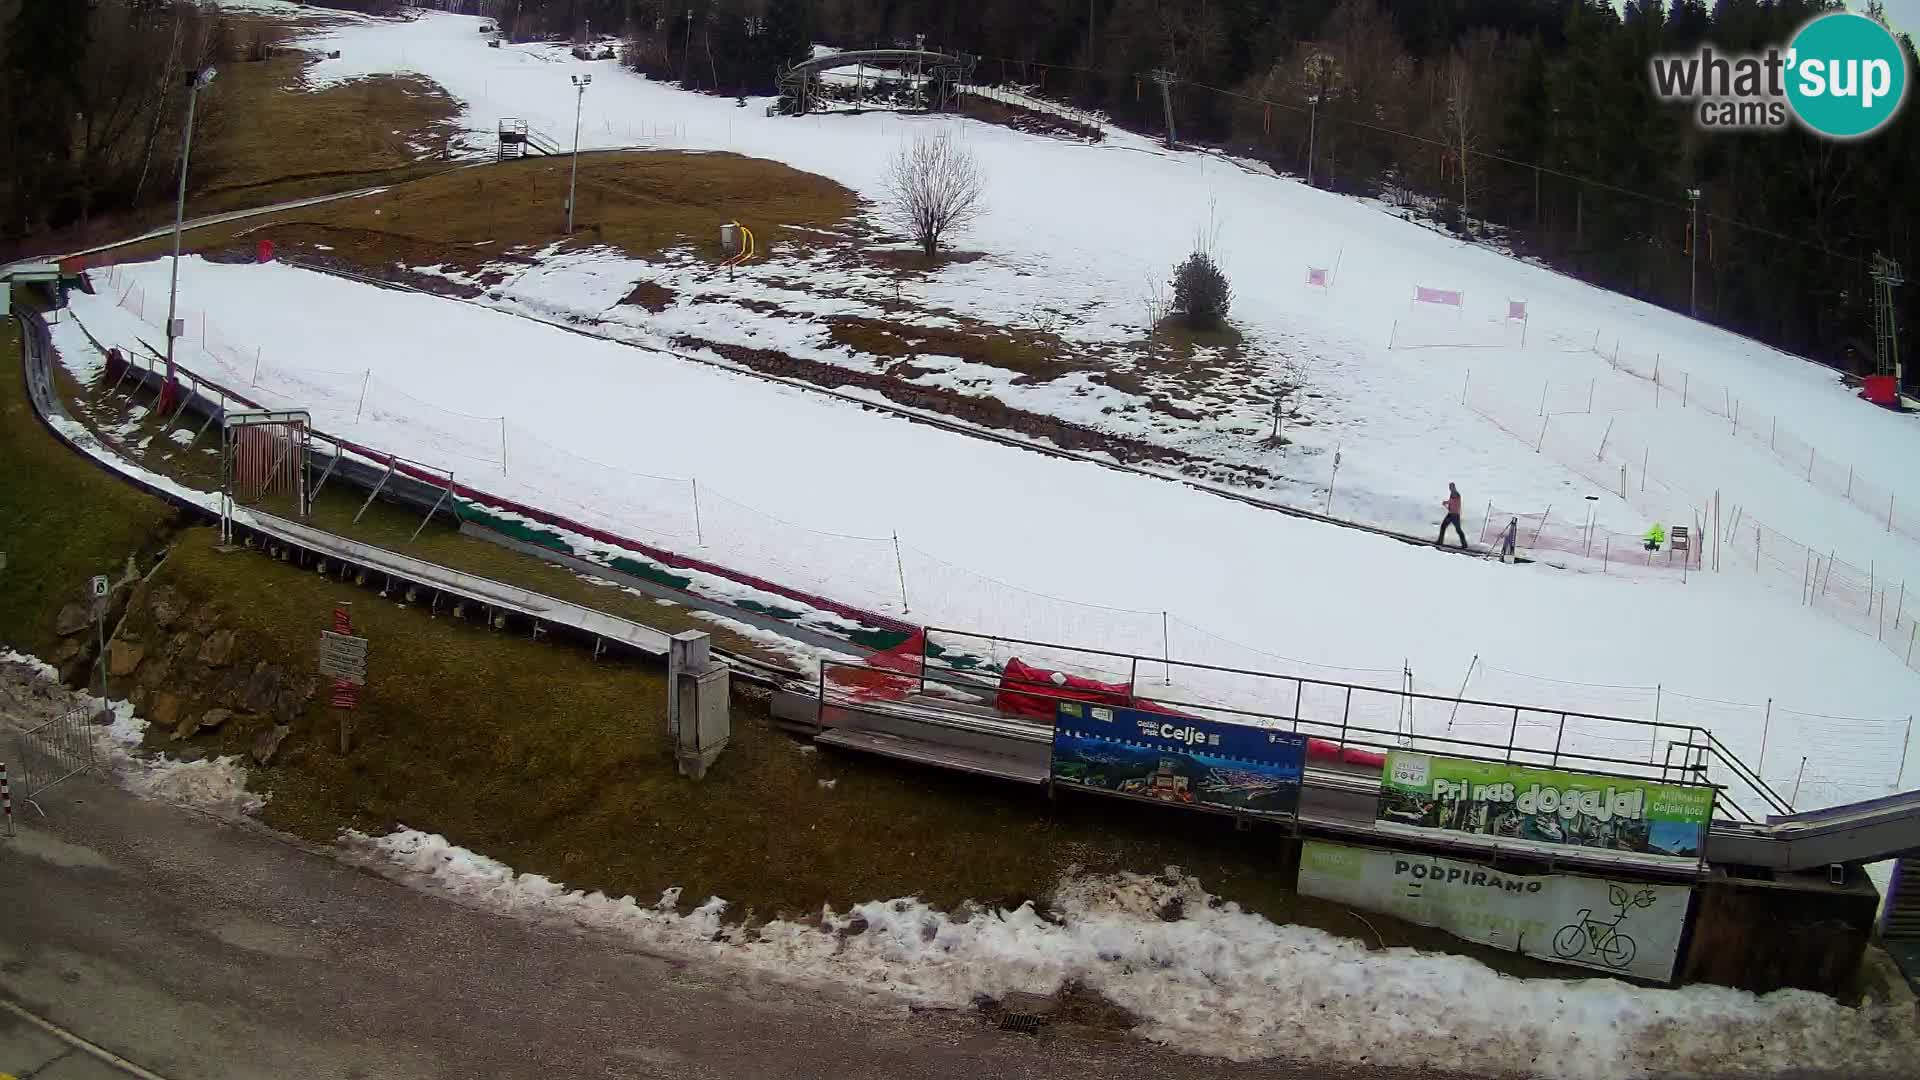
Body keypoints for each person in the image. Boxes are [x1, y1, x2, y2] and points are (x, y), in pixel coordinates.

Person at [1437, 482, 1467, 548]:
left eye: (1451, 487)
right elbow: (1452, 501)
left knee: (1457, 529)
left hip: (1455, 515)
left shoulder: (1455, 494)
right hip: (1451, 514)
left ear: (1454, 487)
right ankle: (1440, 541)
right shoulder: (1453, 494)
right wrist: (1446, 502)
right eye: (1450, 487)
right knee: (1444, 526)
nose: (1450, 489)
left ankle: (1464, 544)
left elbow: (1453, 500)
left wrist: (1447, 503)